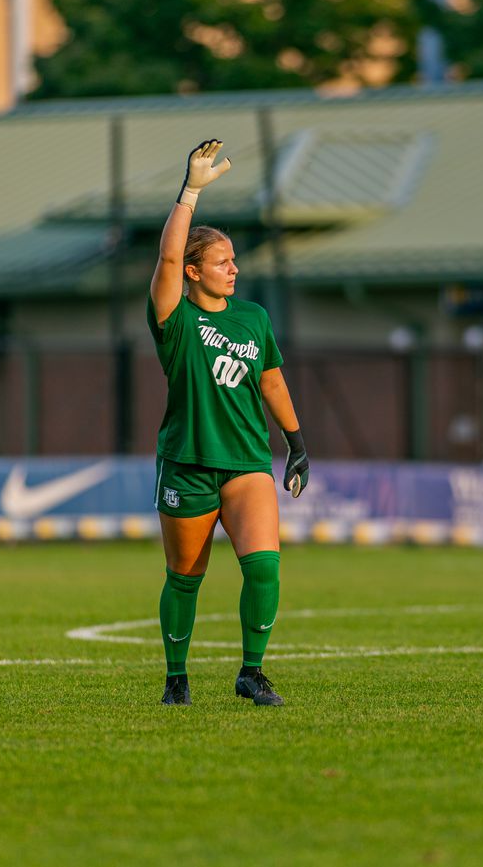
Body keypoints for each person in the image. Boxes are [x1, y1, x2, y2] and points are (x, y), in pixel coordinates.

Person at [148, 139, 310, 707]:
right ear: (193, 271)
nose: (234, 269)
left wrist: (296, 442)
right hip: (188, 461)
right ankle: (176, 678)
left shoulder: (253, 317)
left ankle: (252, 672)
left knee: (264, 566)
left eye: (234, 259)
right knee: (185, 577)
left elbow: (271, 381)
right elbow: (166, 261)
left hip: (244, 462)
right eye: (222, 262)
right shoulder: (175, 316)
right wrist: (190, 189)